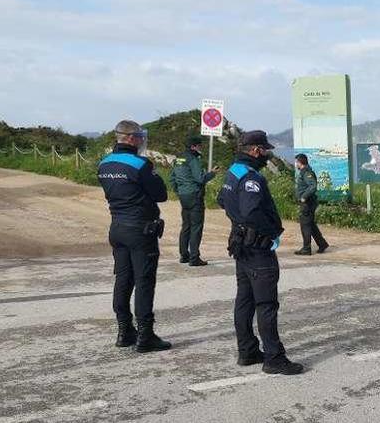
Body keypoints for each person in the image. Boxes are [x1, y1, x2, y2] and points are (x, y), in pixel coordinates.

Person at [217, 130, 304, 375]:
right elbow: (251, 211)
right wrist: (273, 230)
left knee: (244, 300)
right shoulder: (251, 177)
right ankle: (274, 358)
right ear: (255, 150)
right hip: (257, 248)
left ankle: (247, 351)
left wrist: (239, 224)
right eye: (265, 150)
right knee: (266, 303)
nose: (266, 155)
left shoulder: (232, 172)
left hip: (240, 244)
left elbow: (222, 200)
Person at [97, 120, 171, 352]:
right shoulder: (140, 164)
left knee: (123, 279)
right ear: (130, 138)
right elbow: (160, 194)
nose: (141, 140)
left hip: (117, 227)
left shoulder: (104, 164)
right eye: (139, 136)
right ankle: (145, 335)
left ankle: (124, 331)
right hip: (140, 229)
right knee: (144, 281)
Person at [171, 135, 218, 267]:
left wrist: (179, 191)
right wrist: (212, 173)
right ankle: (194, 258)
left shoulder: (178, 159)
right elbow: (200, 178)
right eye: (199, 145)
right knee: (196, 227)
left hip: (183, 195)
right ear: (193, 146)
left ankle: (184, 255)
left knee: (186, 226)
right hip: (194, 195)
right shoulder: (193, 159)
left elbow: (172, 178)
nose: (201, 147)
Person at [294, 154, 329, 256]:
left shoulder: (307, 172)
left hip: (307, 203)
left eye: (296, 162)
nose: (296, 164)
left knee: (305, 225)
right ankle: (322, 244)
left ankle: (306, 248)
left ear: (300, 162)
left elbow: (313, 186)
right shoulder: (304, 172)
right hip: (307, 203)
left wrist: (304, 197)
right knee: (310, 224)